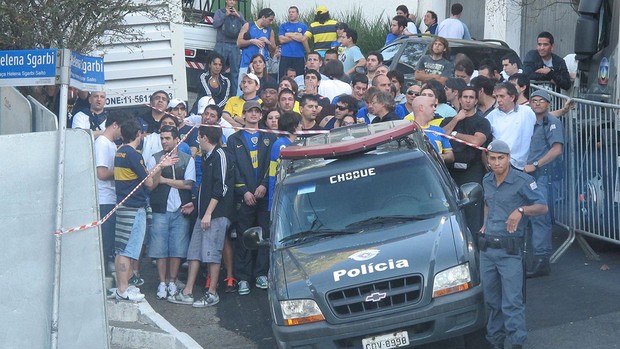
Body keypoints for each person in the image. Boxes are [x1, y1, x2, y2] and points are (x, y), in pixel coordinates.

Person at [480, 139, 548, 349]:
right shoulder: (487, 180)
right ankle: (495, 343)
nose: (497, 162)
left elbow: (542, 207)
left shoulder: (522, 180)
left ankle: (517, 343)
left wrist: (521, 211)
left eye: (501, 158)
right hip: (488, 249)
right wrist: (484, 225)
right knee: (491, 302)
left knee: (512, 303)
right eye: (493, 158)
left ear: (509, 158)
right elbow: (487, 203)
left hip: (510, 250)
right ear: (488, 160)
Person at [168, 126, 234, 307]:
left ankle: (212, 292)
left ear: (205, 137)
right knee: (195, 252)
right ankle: (187, 291)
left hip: (216, 213)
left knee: (212, 253)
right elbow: (206, 187)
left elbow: (221, 187)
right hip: (203, 212)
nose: (198, 141)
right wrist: (196, 205)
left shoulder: (220, 155)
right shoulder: (207, 156)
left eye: (199, 137)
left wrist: (209, 213)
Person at [113, 117, 173, 301]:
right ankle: (123, 288)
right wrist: (160, 166)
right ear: (138, 134)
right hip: (133, 207)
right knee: (127, 250)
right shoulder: (133, 154)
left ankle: (124, 286)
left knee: (124, 248)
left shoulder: (119, 151)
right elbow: (147, 182)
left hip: (123, 206)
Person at [227, 101, 276, 295]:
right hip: (244, 196)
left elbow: (272, 165)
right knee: (244, 237)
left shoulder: (269, 138)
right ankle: (243, 278)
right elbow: (233, 169)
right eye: (250, 112)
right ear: (244, 114)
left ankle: (261, 274)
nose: (254, 115)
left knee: (264, 235)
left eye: (257, 112)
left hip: (264, 195)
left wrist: (264, 185)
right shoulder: (234, 139)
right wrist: (244, 191)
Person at [146, 126, 195, 300]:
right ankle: (162, 282)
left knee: (177, 248)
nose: (164, 141)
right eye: (162, 138)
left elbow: (188, 184)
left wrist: (164, 180)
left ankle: (172, 281)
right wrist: (160, 167)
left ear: (177, 139)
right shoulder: (155, 158)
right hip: (160, 208)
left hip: (180, 209)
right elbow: (151, 184)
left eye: (167, 138)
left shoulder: (187, 159)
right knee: (160, 248)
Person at [524, 90, 564, 278]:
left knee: (540, 216)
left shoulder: (551, 122)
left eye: (542, 101)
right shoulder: (530, 121)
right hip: (530, 175)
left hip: (542, 174)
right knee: (533, 216)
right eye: (534, 100)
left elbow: (557, 149)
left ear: (548, 104)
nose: (538, 103)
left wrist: (536, 164)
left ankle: (541, 261)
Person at [440, 86, 491, 233]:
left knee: (473, 210)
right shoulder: (449, 119)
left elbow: (476, 141)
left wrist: (455, 134)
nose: (467, 100)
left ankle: (475, 243)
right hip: (450, 170)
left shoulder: (482, 122)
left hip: (472, 169)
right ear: (460, 99)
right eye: (465, 97)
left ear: (476, 101)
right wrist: (456, 119)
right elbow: (442, 134)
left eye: (471, 98)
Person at [95, 112, 124, 274]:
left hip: (112, 197)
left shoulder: (112, 144)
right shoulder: (102, 143)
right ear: (114, 125)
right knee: (105, 241)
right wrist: (123, 170)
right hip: (104, 198)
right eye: (122, 129)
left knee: (111, 239)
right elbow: (101, 173)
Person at [485, 82, 536, 170]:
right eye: (497, 96)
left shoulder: (527, 112)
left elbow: (545, 117)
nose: (498, 100)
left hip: (521, 166)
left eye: (502, 96)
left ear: (512, 97)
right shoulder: (491, 116)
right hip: (499, 164)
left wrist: (562, 111)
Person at [236, 8, 276, 95]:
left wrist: (268, 42)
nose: (271, 22)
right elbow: (239, 43)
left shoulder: (270, 31)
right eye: (270, 20)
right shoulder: (248, 26)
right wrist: (251, 41)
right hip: (246, 63)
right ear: (263, 17)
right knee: (242, 89)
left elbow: (273, 49)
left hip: (262, 66)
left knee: (262, 90)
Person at [268, 111, 302, 210]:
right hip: (281, 193)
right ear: (294, 127)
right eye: (300, 123)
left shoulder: (293, 143)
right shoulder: (281, 145)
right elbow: (276, 173)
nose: (302, 126)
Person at [212, 0, 245, 96]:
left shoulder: (239, 14)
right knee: (217, 70)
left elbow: (246, 26)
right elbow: (215, 24)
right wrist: (225, 15)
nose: (232, 1)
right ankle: (216, 93)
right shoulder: (219, 12)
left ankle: (235, 96)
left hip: (235, 45)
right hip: (221, 44)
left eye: (234, 0)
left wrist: (238, 16)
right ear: (226, 1)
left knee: (235, 72)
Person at [411, 96, 454, 163]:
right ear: (421, 108)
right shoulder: (407, 131)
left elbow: (451, 156)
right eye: (431, 106)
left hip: (435, 171)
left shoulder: (439, 131)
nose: (434, 109)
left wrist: (442, 157)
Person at [278, 6, 309, 78]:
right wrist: (297, 36)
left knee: (299, 77)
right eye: (289, 12)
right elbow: (281, 40)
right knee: (283, 77)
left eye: (293, 12)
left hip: (299, 56)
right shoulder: (283, 26)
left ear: (297, 14)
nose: (291, 14)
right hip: (285, 56)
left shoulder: (303, 26)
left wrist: (288, 34)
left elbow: (303, 39)